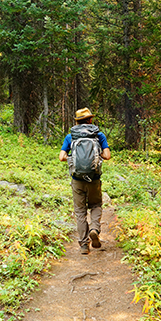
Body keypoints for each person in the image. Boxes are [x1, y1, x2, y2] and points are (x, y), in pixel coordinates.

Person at [59, 107, 112, 255]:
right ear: (90, 120)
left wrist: (73, 158)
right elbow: (107, 155)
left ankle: (83, 245)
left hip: (77, 180)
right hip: (94, 179)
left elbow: (61, 157)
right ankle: (94, 229)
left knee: (80, 212)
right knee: (96, 204)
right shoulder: (98, 135)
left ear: (77, 121)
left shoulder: (71, 137)